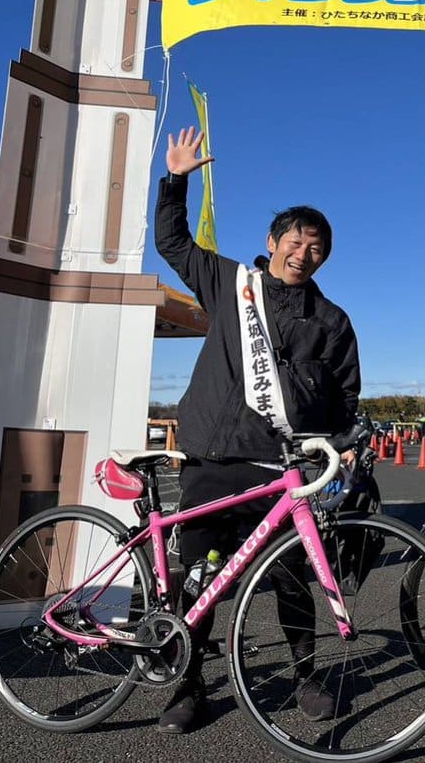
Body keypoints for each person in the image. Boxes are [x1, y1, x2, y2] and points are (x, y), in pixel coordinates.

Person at [154, 127, 361, 733]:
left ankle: (307, 676)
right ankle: (186, 686)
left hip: (282, 468)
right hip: (214, 459)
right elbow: (171, 240)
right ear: (272, 244)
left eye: (316, 247)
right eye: (294, 241)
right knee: (198, 583)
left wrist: (342, 450)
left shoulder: (332, 319)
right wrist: (175, 179)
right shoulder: (230, 283)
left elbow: (345, 395)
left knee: (295, 579)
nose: (304, 253)